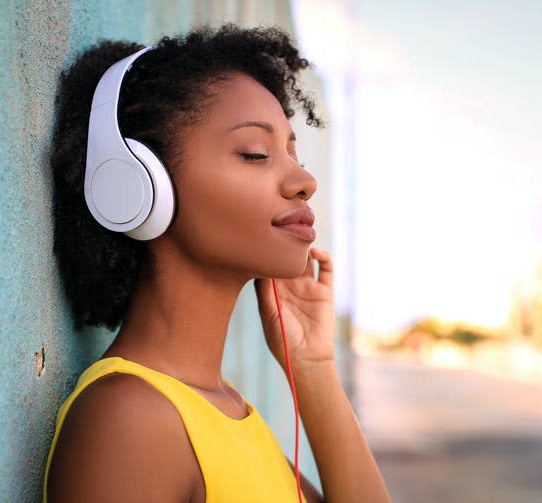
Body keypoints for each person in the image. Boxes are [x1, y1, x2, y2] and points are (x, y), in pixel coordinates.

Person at [44, 23, 389, 502]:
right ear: (136, 185)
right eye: (255, 154)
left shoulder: (227, 410)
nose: (304, 180)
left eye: (294, 153)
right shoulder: (131, 418)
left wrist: (312, 364)